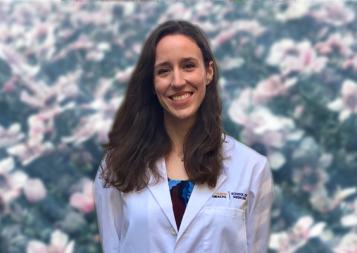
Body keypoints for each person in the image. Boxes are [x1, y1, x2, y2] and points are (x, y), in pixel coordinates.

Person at [94, 20, 274, 253]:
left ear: (208, 72)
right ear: (152, 81)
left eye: (188, 66)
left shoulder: (251, 168)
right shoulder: (115, 168)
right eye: (164, 70)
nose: (177, 82)